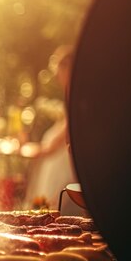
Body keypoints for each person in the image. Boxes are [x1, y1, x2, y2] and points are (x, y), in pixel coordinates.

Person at [23, 45, 80, 214]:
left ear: (69, 68)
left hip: (63, 178)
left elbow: (54, 145)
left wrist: (27, 150)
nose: (56, 74)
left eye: (59, 68)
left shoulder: (77, 100)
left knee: (57, 219)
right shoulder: (70, 99)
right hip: (54, 175)